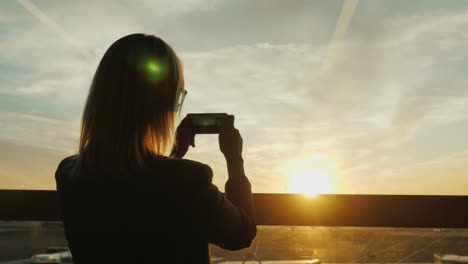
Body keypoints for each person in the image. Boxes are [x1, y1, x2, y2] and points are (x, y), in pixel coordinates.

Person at [55, 33, 256, 264]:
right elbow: (241, 234)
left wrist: (173, 156)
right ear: (164, 104)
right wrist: (234, 160)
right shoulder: (188, 181)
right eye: (178, 96)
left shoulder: (69, 174)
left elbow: (136, 195)